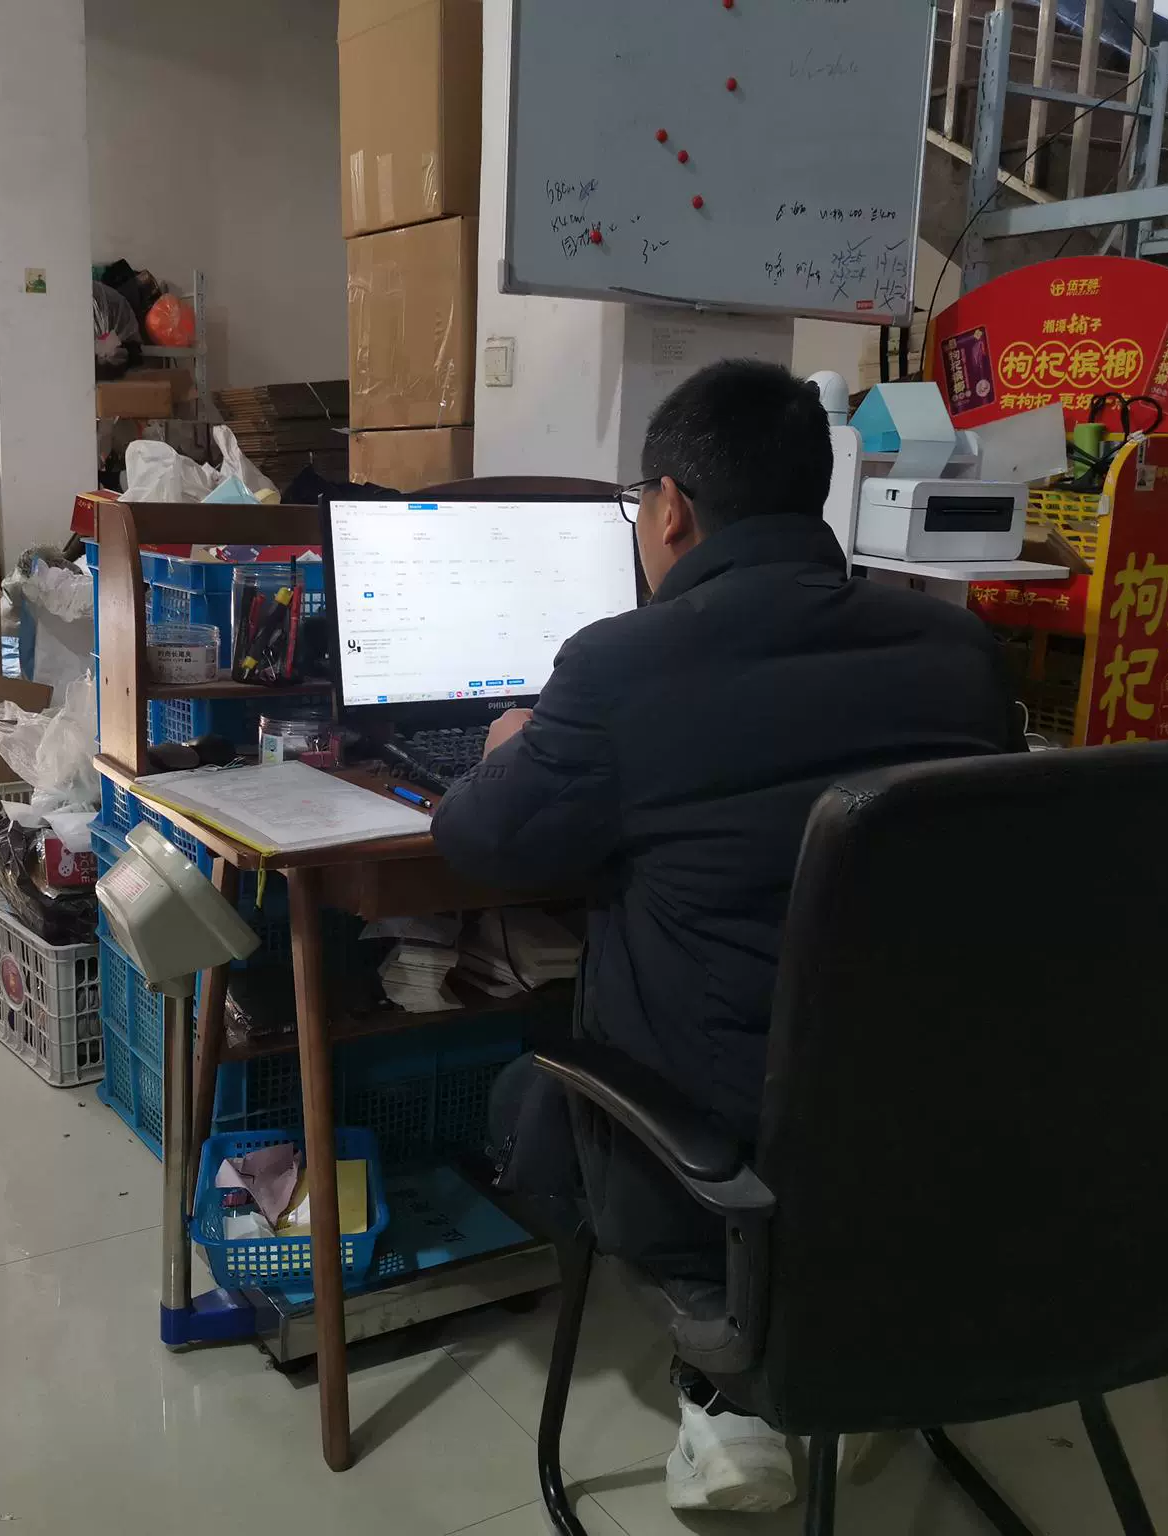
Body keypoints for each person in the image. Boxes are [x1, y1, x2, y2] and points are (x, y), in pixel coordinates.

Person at [432, 358, 1024, 1514]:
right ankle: (785, 1361)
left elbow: (476, 843)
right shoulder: (957, 653)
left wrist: (511, 746)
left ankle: (730, 1368)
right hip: (932, 1137)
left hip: (715, 1169)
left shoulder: (620, 664)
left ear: (668, 509)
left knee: (522, 1098)